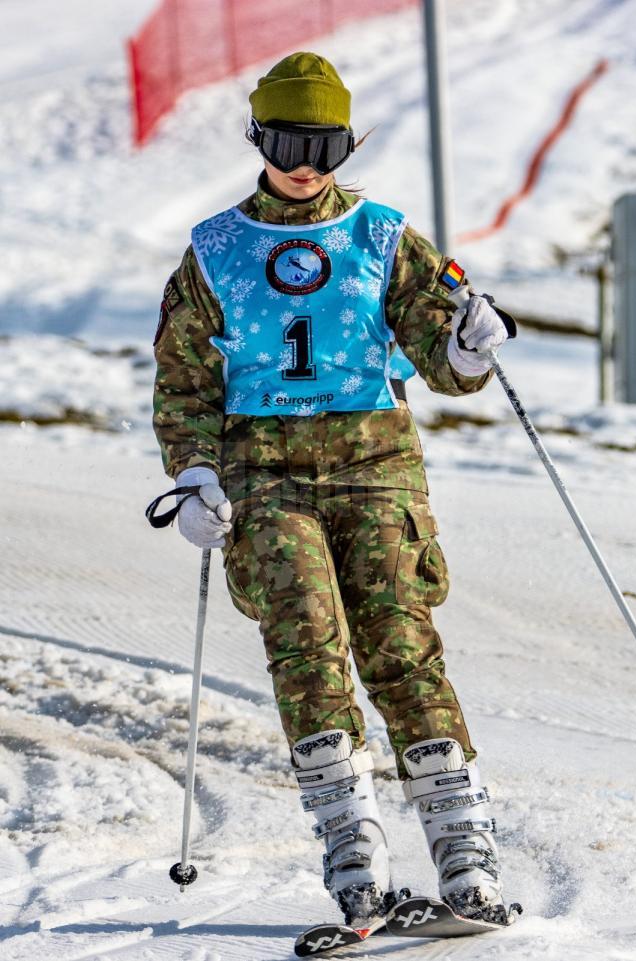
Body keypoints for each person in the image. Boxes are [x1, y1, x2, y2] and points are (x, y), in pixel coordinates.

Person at [152, 52, 515, 928]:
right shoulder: (215, 251)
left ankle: (464, 854)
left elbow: (439, 351)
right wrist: (194, 472)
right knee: (307, 640)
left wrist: (467, 346)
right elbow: (184, 382)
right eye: (285, 139)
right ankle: (354, 858)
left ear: (348, 143)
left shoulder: (383, 236)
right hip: (265, 477)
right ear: (257, 137)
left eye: (323, 143)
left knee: (399, 639)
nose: (305, 161)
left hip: (375, 466)